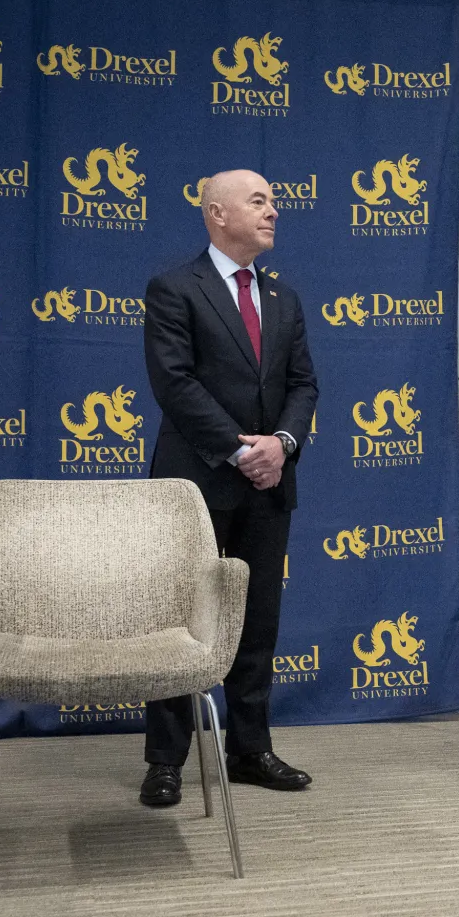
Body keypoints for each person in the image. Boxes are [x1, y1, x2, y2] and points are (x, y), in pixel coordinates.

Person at [139, 169, 318, 806]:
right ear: (217, 213)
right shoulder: (173, 289)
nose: (274, 211)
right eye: (260, 201)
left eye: (275, 200)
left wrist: (282, 446)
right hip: (194, 486)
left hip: (269, 485)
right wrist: (243, 449)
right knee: (179, 621)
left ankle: (250, 750)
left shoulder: (284, 298)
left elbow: (303, 386)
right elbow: (175, 383)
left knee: (256, 622)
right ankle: (164, 759)